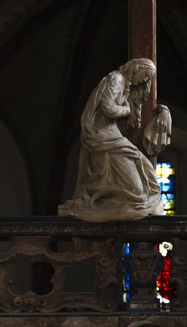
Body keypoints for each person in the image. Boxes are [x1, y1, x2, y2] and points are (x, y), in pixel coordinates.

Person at [58, 57, 170, 221]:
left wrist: (163, 110)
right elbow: (109, 108)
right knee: (138, 191)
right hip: (101, 136)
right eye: (145, 75)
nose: (145, 80)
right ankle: (97, 201)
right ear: (136, 68)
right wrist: (128, 110)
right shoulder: (116, 79)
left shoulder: (125, 86)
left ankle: (100, 198)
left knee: (144, 172)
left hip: (111, 135)